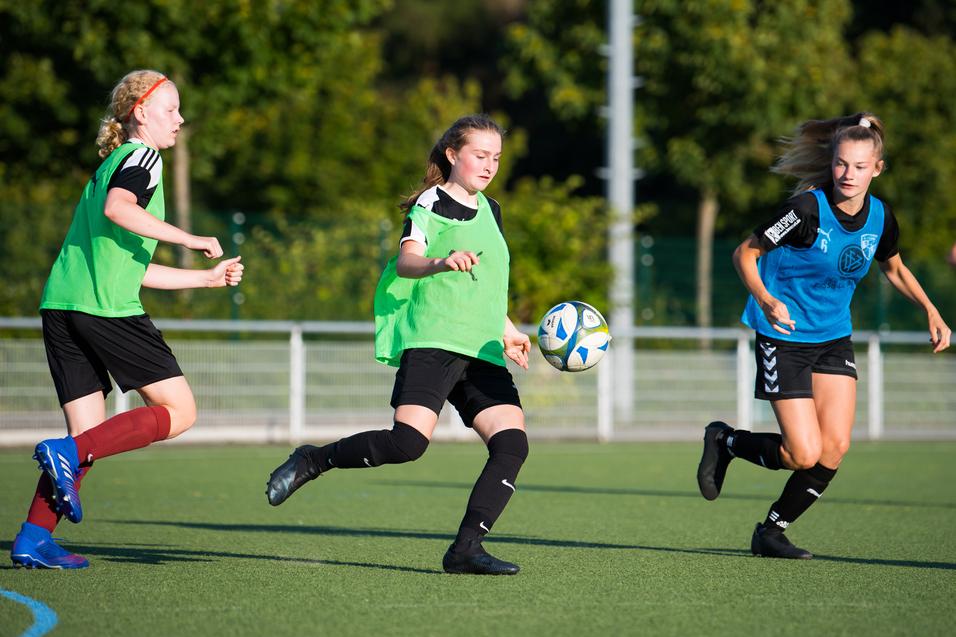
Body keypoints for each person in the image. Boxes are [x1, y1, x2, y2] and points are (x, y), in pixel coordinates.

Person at [265, 114, 531, 575]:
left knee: (511, 444)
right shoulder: (432, 202)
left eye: (496, 158)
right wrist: (440, 262)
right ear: (453, 155)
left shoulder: (493, 209)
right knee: (407, 443)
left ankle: (465, 549)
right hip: (435, 338)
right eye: (480, 155)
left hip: (481, 345)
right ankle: (314, 458)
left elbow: (485, 281)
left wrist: (507, 328)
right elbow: (408, 262)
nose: (489, 166)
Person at [10, 70, 244, 569]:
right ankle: (61, 461)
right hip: (104, 310)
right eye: (171, 109)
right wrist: (191, 238)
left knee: (86, 440)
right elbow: (121, 210)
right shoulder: (143, 156)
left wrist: (203, 280)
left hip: (63, 306)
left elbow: (130, 266)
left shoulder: (110, 163)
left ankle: (34, 537)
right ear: (140, 112)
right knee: (179, 412)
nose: (180, 119)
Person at [697, 112, 951, 559]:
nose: (847, 174)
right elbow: (745, 253)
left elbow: (893, 267)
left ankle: (771, 532)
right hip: (784, 335)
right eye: (840, 164)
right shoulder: (804, 211)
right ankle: (726, 441)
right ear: (831, 163)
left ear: (877, 168)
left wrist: (931, 310)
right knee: (802, 452)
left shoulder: (880, 217)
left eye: (858, 166)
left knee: (833, 448)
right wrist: (767, 299)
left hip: (833, 337)